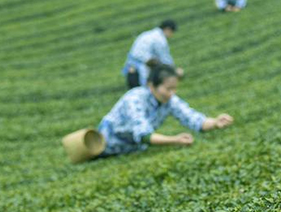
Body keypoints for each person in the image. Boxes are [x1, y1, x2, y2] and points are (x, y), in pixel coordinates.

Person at [97, 64, 233, 158]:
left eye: (174, 88)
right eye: (168, 89)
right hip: (104, 144)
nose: (172, 93)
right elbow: (144, 135)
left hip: (131, 149)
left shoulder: (169, 100)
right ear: (151, 86)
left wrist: (215, 122)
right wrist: (175, 140)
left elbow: (194, 119)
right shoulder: (134, 99)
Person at [122, 19, 184, 88]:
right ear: (167, 29)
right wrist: (174, 70)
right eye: (172, 32)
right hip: (141, 69)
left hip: (131, 67)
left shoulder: (147, 34)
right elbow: (165, 59)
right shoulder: (160, 39)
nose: (172, 35)